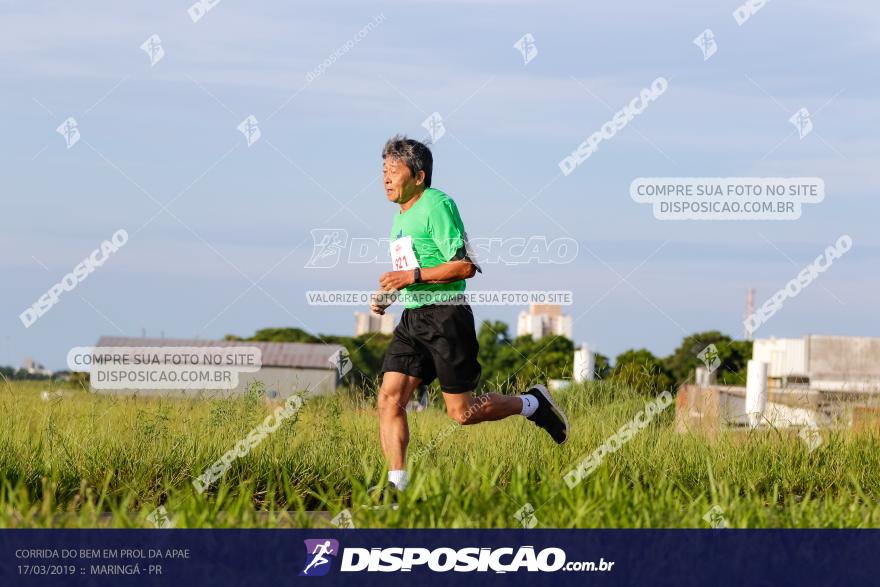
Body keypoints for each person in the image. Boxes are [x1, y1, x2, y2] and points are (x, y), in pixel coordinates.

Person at [370, 135, 569, 501]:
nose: (385, 178)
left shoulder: (437, 204)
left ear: (419, 175)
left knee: (461, 413)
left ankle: (533, 404)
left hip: (447, 317)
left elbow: (464, 266)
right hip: (414, 319)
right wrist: (392, 293)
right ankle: (395, 487)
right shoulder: (401, 217)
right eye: (382, 171)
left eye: (392, 171)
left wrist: (410, 278)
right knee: (389, 399)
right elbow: (417, 268)